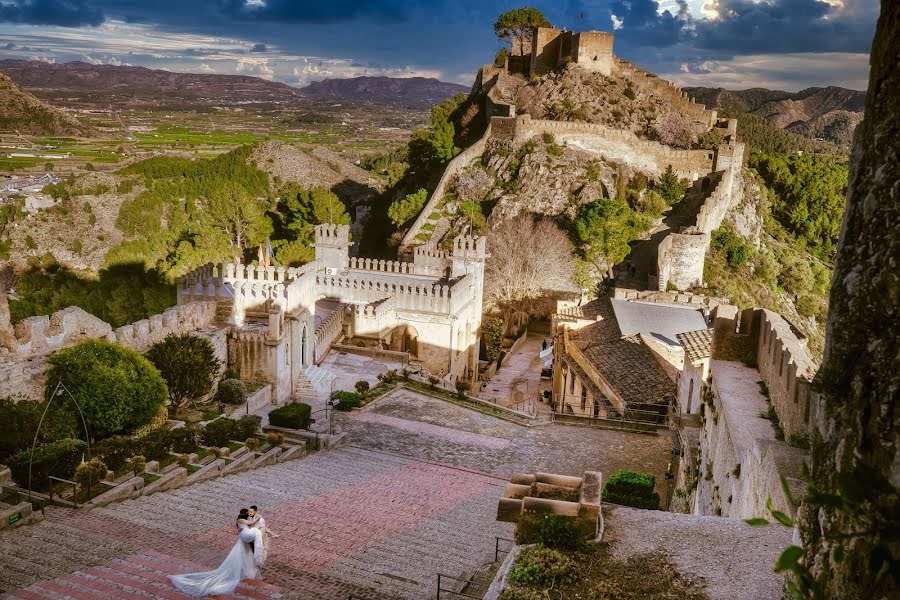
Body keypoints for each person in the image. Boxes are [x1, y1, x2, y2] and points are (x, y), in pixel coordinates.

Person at [168, 508, 259, 597]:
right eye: (248, 513)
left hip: (243, 540)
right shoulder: (240, 520)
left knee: (245, 555)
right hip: (242, 541)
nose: (249, 514)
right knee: (241, 556)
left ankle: (244, 570)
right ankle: (239, 571)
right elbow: (250, 523)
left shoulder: (243, 520)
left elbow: (247, 526)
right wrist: (257, 518)